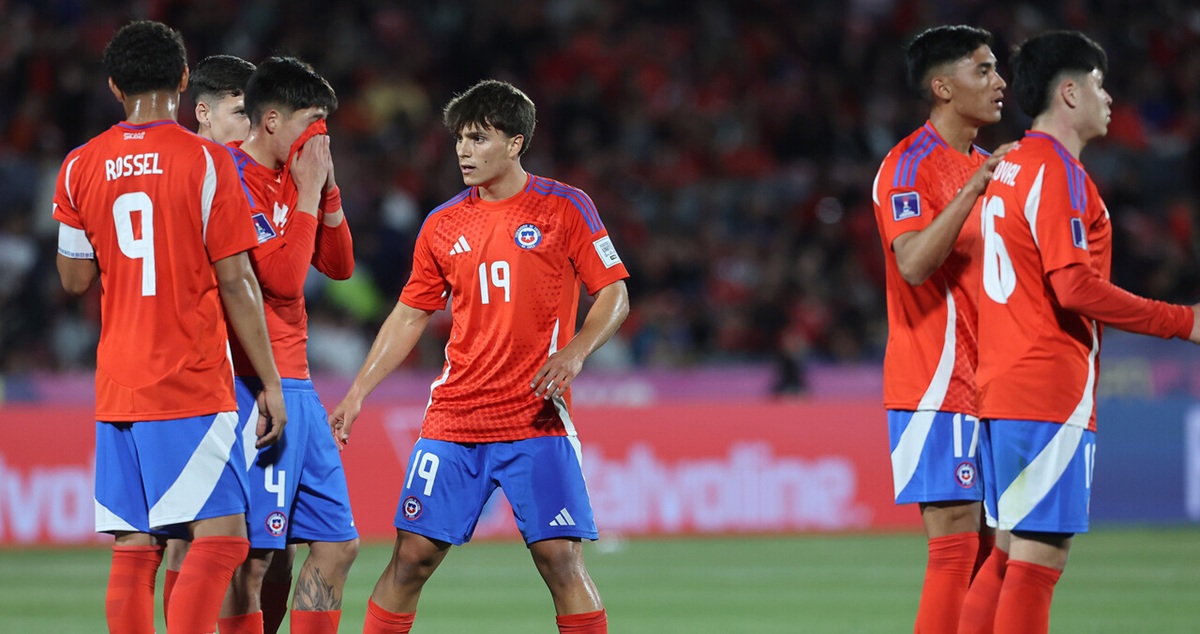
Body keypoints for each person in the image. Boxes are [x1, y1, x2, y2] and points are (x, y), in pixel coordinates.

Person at [330, 79, 629, 634]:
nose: (463, 151)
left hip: (535, 417)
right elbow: (409, 315)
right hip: (455, 418)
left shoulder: (565, 207)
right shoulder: (442, 223)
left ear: (515, 143)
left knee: (560, 561)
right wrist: (357, 392)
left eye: (478, 139)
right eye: (460, 140)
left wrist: (576, 351)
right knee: (410, 559)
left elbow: (614, 292)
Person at [51, 20, 286, 634]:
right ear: (184, 79)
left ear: (113, 86)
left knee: (135, 547)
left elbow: (74, 279)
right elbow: (236, 280)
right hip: (187, 379)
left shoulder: (78, 166)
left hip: (117, 384)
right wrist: (270, 382)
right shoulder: (207, 161)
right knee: (225, 539)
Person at [965, 30, 1200, 634]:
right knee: (1037, 565)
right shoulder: (1056, 172)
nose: (1109, 97)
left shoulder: (1009, 166)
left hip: (1003, 386)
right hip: (1045, 388)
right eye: (1099, 84)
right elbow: (1074, 287)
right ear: (1069, 92)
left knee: (1006, 556)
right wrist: (1183, 320)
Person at [870, 25, 1011, 633]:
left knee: (995, 550)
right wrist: (974, 190)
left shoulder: (991, 166)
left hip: (995, 384)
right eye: (984, 69)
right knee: (955, 544)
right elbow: (912, 262)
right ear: (942, 87)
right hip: (935, 382)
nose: (1000, 82)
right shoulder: (909, 166)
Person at [216, 55, 359, 634]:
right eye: (311, 122)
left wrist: (326, 190)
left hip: (297, 383)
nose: (319, 137)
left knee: (337, 546)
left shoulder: (296, 178)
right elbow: (280, 279)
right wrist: (306, 194)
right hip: (252, 383)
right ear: (271, 120)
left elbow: (340, 266)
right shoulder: (230, 176)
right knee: (253, 558)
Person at [162, 51, 261, 625]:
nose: (253, 124)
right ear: (202, 111)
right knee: (219, 539)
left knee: (186, 538)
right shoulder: (209, 169)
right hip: (208, 373)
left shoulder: (179, 168)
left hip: (191, 369)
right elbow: (249, 279)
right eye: (241, 111)